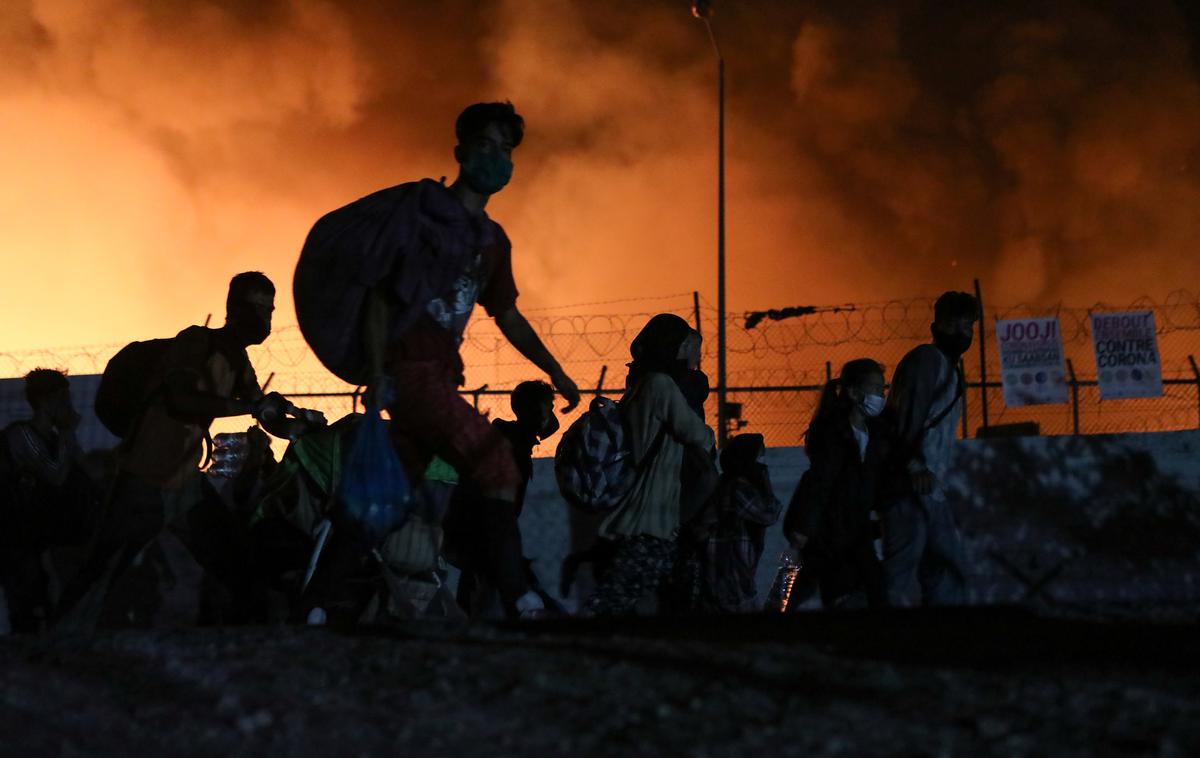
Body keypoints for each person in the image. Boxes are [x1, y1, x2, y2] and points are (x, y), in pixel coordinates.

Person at [296, 101, 581, 619]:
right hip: (414, 374)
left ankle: (315, 604)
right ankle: (522, 596)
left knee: (381, 501)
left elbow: (509, 315)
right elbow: (382, 297)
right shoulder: (424, 217)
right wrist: (378, 370)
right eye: (486, 146)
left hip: (438, 378)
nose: (496, 158)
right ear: (461, 151)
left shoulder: (492, 241)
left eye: (505, 150)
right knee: (496, 461)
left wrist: (554, 369)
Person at [56, 272, 326, 631]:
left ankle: (252, 637)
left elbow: (263, 411)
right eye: (258, 307)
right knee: (105, 564)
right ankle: (55, 639)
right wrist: (252, 408)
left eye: (269, 309)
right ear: (234, 308)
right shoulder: (197, 341)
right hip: (146, 475)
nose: (265, 318)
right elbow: (180, 397)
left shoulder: (239, 363)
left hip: (184, 482)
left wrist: (298, 425)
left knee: (232, 558)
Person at [585, 314, 715, 616]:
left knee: (644, 601)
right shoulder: (660, 385)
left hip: (643, 515)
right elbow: (699, 435)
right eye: (693, 348)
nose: (697, 357)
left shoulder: (642, 383)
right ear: (678, 346)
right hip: (649, 517)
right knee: (614, 603)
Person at [879, 291, 977, 606]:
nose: (961, 332)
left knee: (942, 571)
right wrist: (914, 465)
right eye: (954, 323)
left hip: (930, 488)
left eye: (967, 325)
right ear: (936, 324)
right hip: (911, 487)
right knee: (905, 572)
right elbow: (906, 417)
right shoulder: (927, 360)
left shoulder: (948, 368)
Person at [443, 380, 560, 618]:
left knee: (483, 584)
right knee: (509, 584)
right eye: (548, 409)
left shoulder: (510, 438)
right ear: (537, 412)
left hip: (484, 529)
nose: (551, 416)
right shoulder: (512, 445)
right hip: (486, 528)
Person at [784, 359, 888, 609]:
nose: (880, 395)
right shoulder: (834, 431)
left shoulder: (875, 432)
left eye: (882, 389)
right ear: (853, 392)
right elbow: (821, 482)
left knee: (869, 587)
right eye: (874, 388)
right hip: (831, 529)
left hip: (856, 526)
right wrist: (805, 526)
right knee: (836, 588)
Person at [0, 369, 96, 632]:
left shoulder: (57, 439)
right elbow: (55, 474)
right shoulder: (21, 435)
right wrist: (66, 432)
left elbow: (81, 467)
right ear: (45, 402)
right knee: (26, 600)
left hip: (40, 533)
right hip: (15, 535)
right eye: (63, 400)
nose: (69, 406)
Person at [693, 433, 782, 613]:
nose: (762, 463)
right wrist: (764, 480)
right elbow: (769, 513)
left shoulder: (729, 483)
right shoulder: (738, 487)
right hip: (730, 575)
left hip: (725, 573)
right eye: (759, 457)